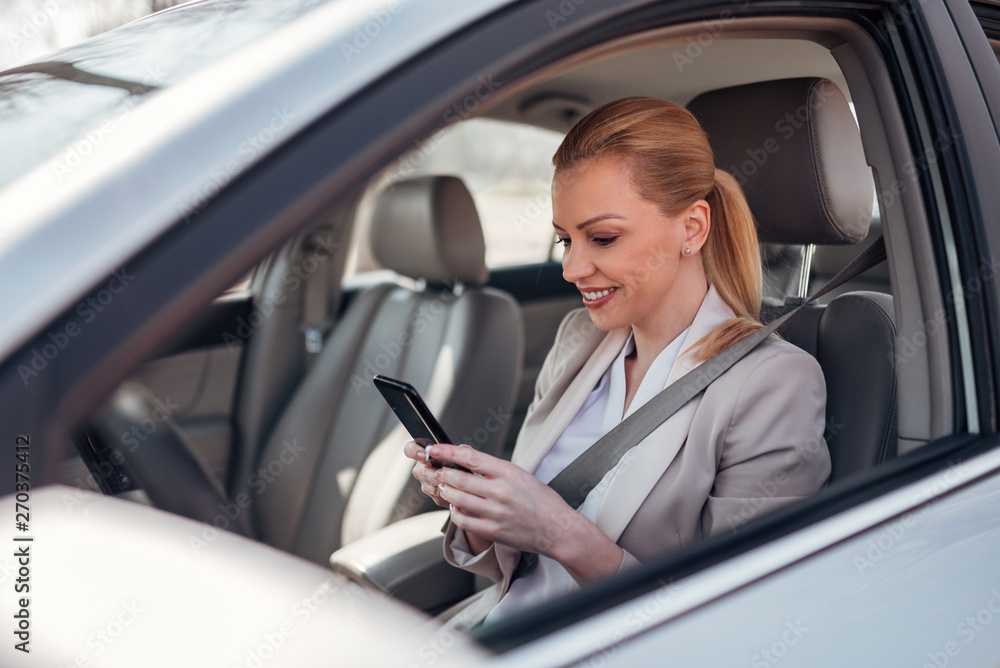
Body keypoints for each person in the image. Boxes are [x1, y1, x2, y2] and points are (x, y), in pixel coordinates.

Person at [402, 97, 831, 627]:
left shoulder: (772, 384)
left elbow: (735, 624)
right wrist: (482, 512)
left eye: (602, 238)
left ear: (692, 229)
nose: (572, 268)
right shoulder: (580, 342)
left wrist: (559, 532)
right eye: (565, 239)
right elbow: (519, 573)